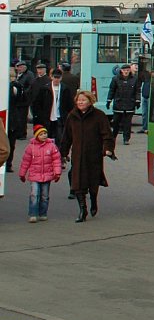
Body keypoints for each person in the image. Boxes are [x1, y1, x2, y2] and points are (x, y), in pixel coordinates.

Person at [60, 90, 114, 223]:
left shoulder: (99, 116)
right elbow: (66, 137)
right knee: (77, 183)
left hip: (94, 155)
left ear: (90, 101)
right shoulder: (72, 116)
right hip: (78, 155)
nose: (80, 102)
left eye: (83, 100)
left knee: (93, 182)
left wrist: (108, 149)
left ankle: (94, 201)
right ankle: (82, 210)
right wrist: (63, 153)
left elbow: (107, 135)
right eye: (78, 100)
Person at [18, 124, 62, 222]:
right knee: (34, 194)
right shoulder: (31, 147)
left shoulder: (51, 146)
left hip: (47, 175)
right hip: (34, 175)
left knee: (44, 196)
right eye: (41, 134)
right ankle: (33, 214)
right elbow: (25, 161)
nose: (44, 135)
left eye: (45, 133)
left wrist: (57, 172)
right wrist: (22, 173)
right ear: (36, 135)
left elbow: (56, 160)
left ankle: (43, 213)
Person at [31, 68, 73, 159]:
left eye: (58, 77)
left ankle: (60, 158)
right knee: (46, 138)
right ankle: (46, 157)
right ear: (51, 77)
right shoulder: (45, 89)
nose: (56, 79)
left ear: (61, 78)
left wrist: (69, 116)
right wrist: (38, 116)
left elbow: (70, 104)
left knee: (60, 139)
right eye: (55, 77)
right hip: (47, 118)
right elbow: (37, 104)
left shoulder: (65, 89)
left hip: (60, 118)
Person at [7, 62, 32, 172]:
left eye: (13, 76)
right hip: (8, 118)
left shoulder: (18, 86)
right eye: (10, 76)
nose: (12, 78)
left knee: (11, 144)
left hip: (13, 119)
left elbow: (23, 99)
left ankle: (9, 163)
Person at [107, 64, 140, 147]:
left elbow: (137, 91)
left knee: (127, 123)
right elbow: (112, 90)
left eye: (127, 70)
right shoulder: (115, 79)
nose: (126, 72)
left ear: (129, 71)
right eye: (124, 70)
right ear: (121, 70)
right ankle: (113, 137)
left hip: (130, 104)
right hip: (118, 104)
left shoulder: (134, 79)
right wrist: (109, 100)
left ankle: (126, 138)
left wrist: (137, 101)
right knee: (116, 122)